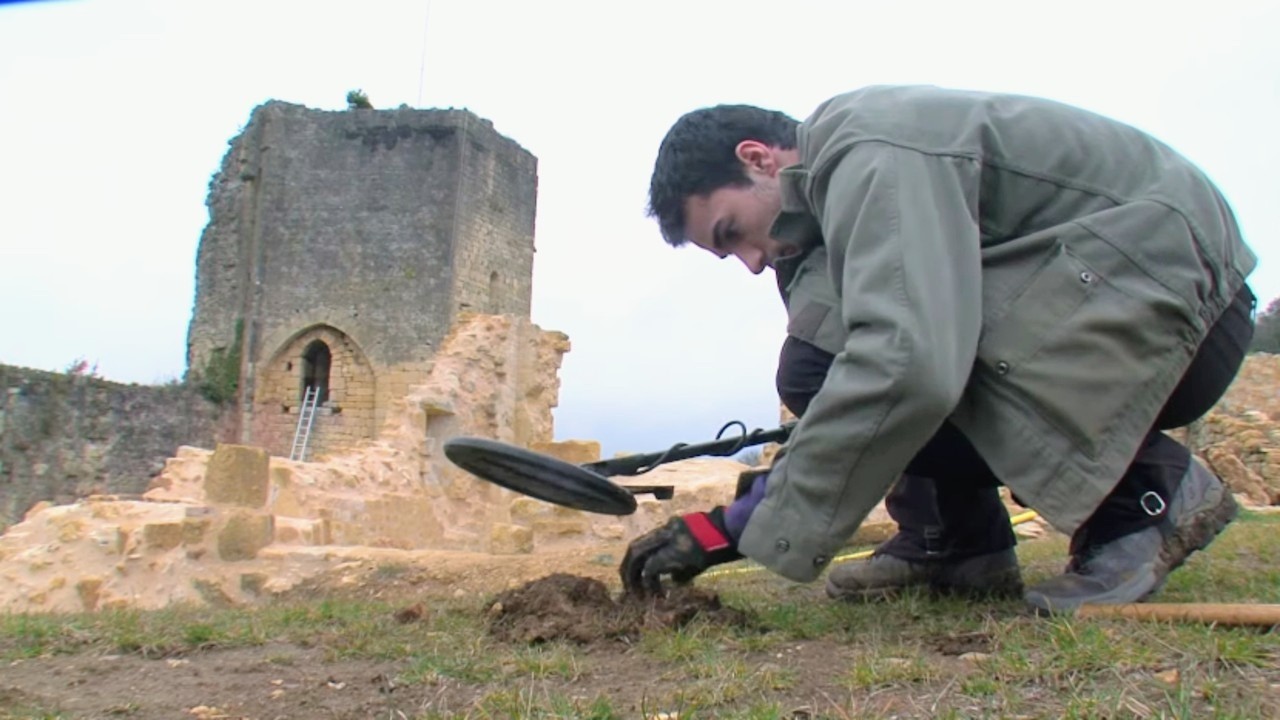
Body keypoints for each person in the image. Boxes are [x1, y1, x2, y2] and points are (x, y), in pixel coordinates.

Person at [619, 85, 1257, 614]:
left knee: (885, 349)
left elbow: (907, 360)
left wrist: (736, 527)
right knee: (823, 358)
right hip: (1113, 305)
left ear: (758, 158)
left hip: (1174, 297)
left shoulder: (867, 149)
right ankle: (956, 542)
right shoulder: (816, 226)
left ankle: (1145, 498)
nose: (752, 263)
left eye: (733, 234)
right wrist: (749, 512)